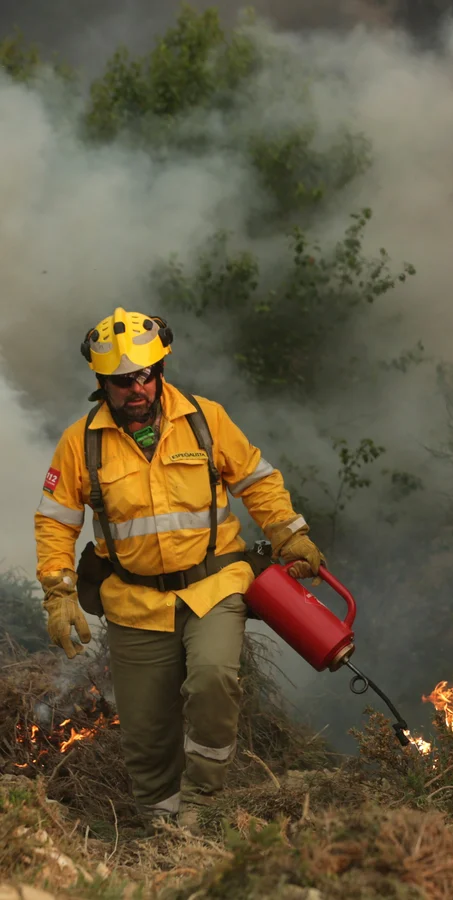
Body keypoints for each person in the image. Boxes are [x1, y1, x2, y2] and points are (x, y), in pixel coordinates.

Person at [33, 307, 325, 829]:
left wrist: (290, 534)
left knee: (213, 679)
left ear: (160, 369)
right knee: (145, 732)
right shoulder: (82, 442)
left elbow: (256, 480)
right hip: (135, 600)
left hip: (214, 585)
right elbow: (55, 521)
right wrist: (59, 592)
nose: (136, 389)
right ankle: (161, 832)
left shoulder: (204, 418)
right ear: (102, 382)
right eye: (121, 381)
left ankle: (204, 808)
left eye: (145, 375)